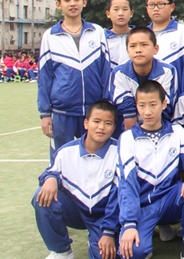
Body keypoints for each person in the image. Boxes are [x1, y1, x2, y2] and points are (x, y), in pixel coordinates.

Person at [117, 80, 184, 259]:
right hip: (144, 205)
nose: (147, 111)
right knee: (133, 253)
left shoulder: (176, 131)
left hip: (170, 199)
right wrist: (129, 224)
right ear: (136, 105)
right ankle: (147, 235)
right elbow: (127, 185)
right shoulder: (127, 138)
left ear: (164, 103)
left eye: (153, 104)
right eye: (142, 105)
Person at [32, 100, 120, 259]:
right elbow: (51, 171)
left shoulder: (120, 152)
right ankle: (62, 251)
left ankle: (96, 238)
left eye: (108, 123)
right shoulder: (66, 151)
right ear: (86, 123)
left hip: (103, 215)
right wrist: (50, 178)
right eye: (96, 121)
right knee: (42, 196)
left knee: (106, 255)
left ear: (114, 128)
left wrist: (108, 231)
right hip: (75, 210)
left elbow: (119, 196)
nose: (101, 127)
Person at [38, 0, 111, 159]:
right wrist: (45, 114)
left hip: (93, 111)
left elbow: (106, 71)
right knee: (62, 159)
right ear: (59, 4)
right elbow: (45, 77)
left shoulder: (97, 32)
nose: (72, 3)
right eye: (67, 0)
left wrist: (106, 104)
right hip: (62, 112)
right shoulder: (50, 36)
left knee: (95, 157)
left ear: (84, 2)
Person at [111, 27, 179, 136]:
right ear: (127, 50)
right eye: (133, 46)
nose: (138, 50)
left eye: (144, 45)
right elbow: (128, 111)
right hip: (129, 129)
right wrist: (134, 139)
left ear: (155, 49)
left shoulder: (167, 71)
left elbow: (165, 108)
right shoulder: (119, 73)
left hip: (161, 128)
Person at [146, 0, 184, 94]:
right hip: (149, 99)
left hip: (176, 97)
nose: (156, 8)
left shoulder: (182, 31)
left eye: (161, 4)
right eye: (151, 5)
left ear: (172, 7)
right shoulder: (143, 34)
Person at [105, 0, 135, 69]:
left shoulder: (139, 36)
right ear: (108, 14)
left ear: (131, 13)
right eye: (116, 9)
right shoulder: (102, 40)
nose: (121, 13)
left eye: (125, 9)